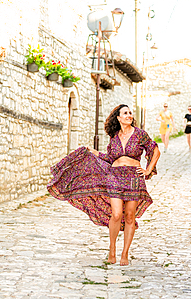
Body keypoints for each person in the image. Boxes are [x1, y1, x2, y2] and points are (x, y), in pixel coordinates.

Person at [47, 104, 160, 266]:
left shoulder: (140, 134)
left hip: (134, 177)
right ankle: (112, 248)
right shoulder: (114, 137)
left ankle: (125, 253)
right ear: (119, 118)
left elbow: (155, 150)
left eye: (130, 113)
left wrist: (148, 170)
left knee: (129, 216)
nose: (129, 115)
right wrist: (93, 153)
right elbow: (109, 158)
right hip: (114, 176)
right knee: (116, 214)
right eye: (125, 113)